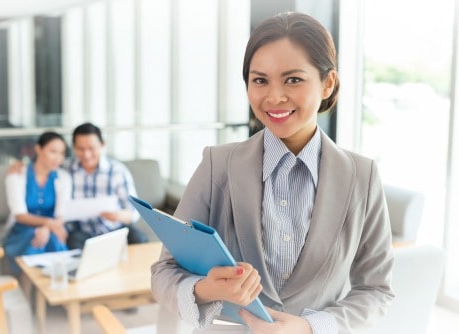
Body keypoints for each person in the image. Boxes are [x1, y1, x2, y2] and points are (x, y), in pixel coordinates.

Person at [151, 12, 394, 334]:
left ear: (328, 83)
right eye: (260, 80)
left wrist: (309, 327)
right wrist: (209, 289)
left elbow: (377, 290)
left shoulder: (361, 176)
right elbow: (164, 272)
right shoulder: (217, 165)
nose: (274, 97)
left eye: (293, 79)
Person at [63, 122, 148, 249]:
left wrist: (119, 215)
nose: (86, 155)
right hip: (81, 232)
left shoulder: (118, 171)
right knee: (73, 242)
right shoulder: (65, 169)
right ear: (74, 147)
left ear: (102, 145)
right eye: (80, 149)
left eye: (91, 148)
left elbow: (134, 212)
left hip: (114, 229)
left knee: (139, 239)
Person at [4, 131, 71, 277]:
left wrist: (48, 227)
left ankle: (56, 293)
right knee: (35, 241)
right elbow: (20, 215)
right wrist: (48, 223)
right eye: (53, 151)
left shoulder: (63, 178)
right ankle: (31, 293)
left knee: (53, 240)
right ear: (38, 149)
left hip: (53, 229)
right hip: (22, 229)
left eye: (61, 153)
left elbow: (61, 214)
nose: (58, 158)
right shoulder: (17, 174)